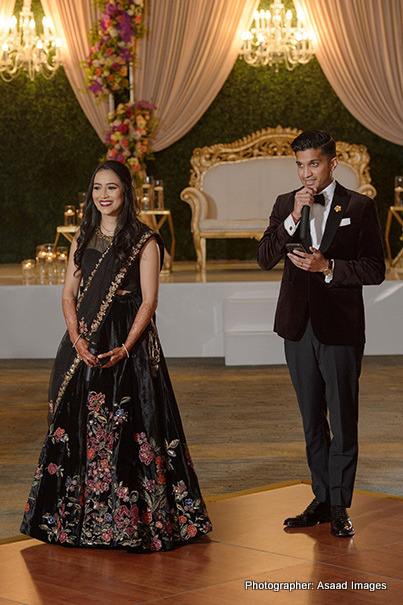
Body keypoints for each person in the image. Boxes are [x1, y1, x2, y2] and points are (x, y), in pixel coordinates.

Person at [21, 160, 212, 551]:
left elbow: (149, 300)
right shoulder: (83, 236)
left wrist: (126, 347)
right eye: (96, 188)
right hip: (84, 344)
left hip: (129, 345)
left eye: (111, 188)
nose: (103, 195)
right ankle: (75, 522)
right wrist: (76, 339)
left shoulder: (144, 240)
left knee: (130, 429)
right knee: (79, 430)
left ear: (126, 192)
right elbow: (68, 295)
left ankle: (134, 524)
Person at [257, 131, 385, 537]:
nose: (306, 173)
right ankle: (322, 497)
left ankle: (340, 505)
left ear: (332, 162)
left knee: (343, 419)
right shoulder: (285, 204)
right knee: (311, 418)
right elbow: (264, 258)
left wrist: (328, 267)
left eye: (313, 163)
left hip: (341, 329)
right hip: (296, 327)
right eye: (299, 165)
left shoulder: (361, 206)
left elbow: (374, 269)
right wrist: (293, 217)